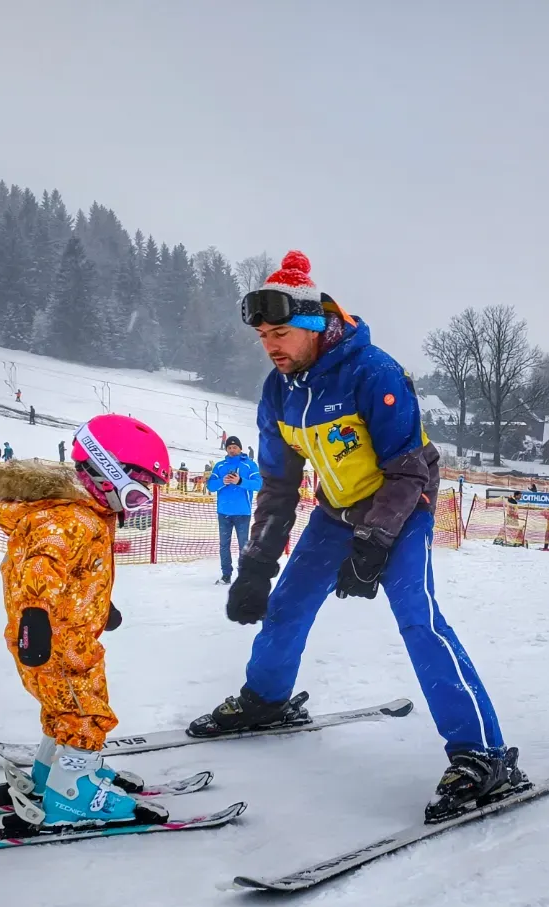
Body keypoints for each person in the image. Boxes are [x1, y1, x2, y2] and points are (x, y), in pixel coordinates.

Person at [199, 251, 525, 823]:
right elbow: (278, 484)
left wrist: (375, 544)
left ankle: (483, 753)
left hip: (405, 506)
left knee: (419, 619)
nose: (270, 345)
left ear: (313, 325)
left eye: (279, 332)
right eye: (261, 336)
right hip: (337, 511)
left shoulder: (373, 371)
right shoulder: (278, 392)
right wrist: (255, 562)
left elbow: (407, 470)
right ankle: (265, 701)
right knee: (286, 608)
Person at [0, 415, 173, 830]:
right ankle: (71, 793)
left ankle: (52, 773)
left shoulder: (81, 514)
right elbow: (41, 567)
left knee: (62, 711)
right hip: (55, 641)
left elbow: (76, 573)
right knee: (86, 713)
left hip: (63, 636)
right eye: (140, 489)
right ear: (110, 474)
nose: (141, 500)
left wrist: (101, 605)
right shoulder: (72, 519)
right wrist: (35, 618)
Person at [207, 435, 263, 584]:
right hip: (224, 513)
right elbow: (210, 486)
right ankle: (226, 575)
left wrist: (240, 481)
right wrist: (222, 481)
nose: (232, 450)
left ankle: (244, 575)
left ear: (240, 448)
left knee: (244, 545)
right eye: (229, 447)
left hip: (242, 513)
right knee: (224, 545)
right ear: (226, 449)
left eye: (235, 447)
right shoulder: (219, 466)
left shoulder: (249, 465)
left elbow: (259, 484)